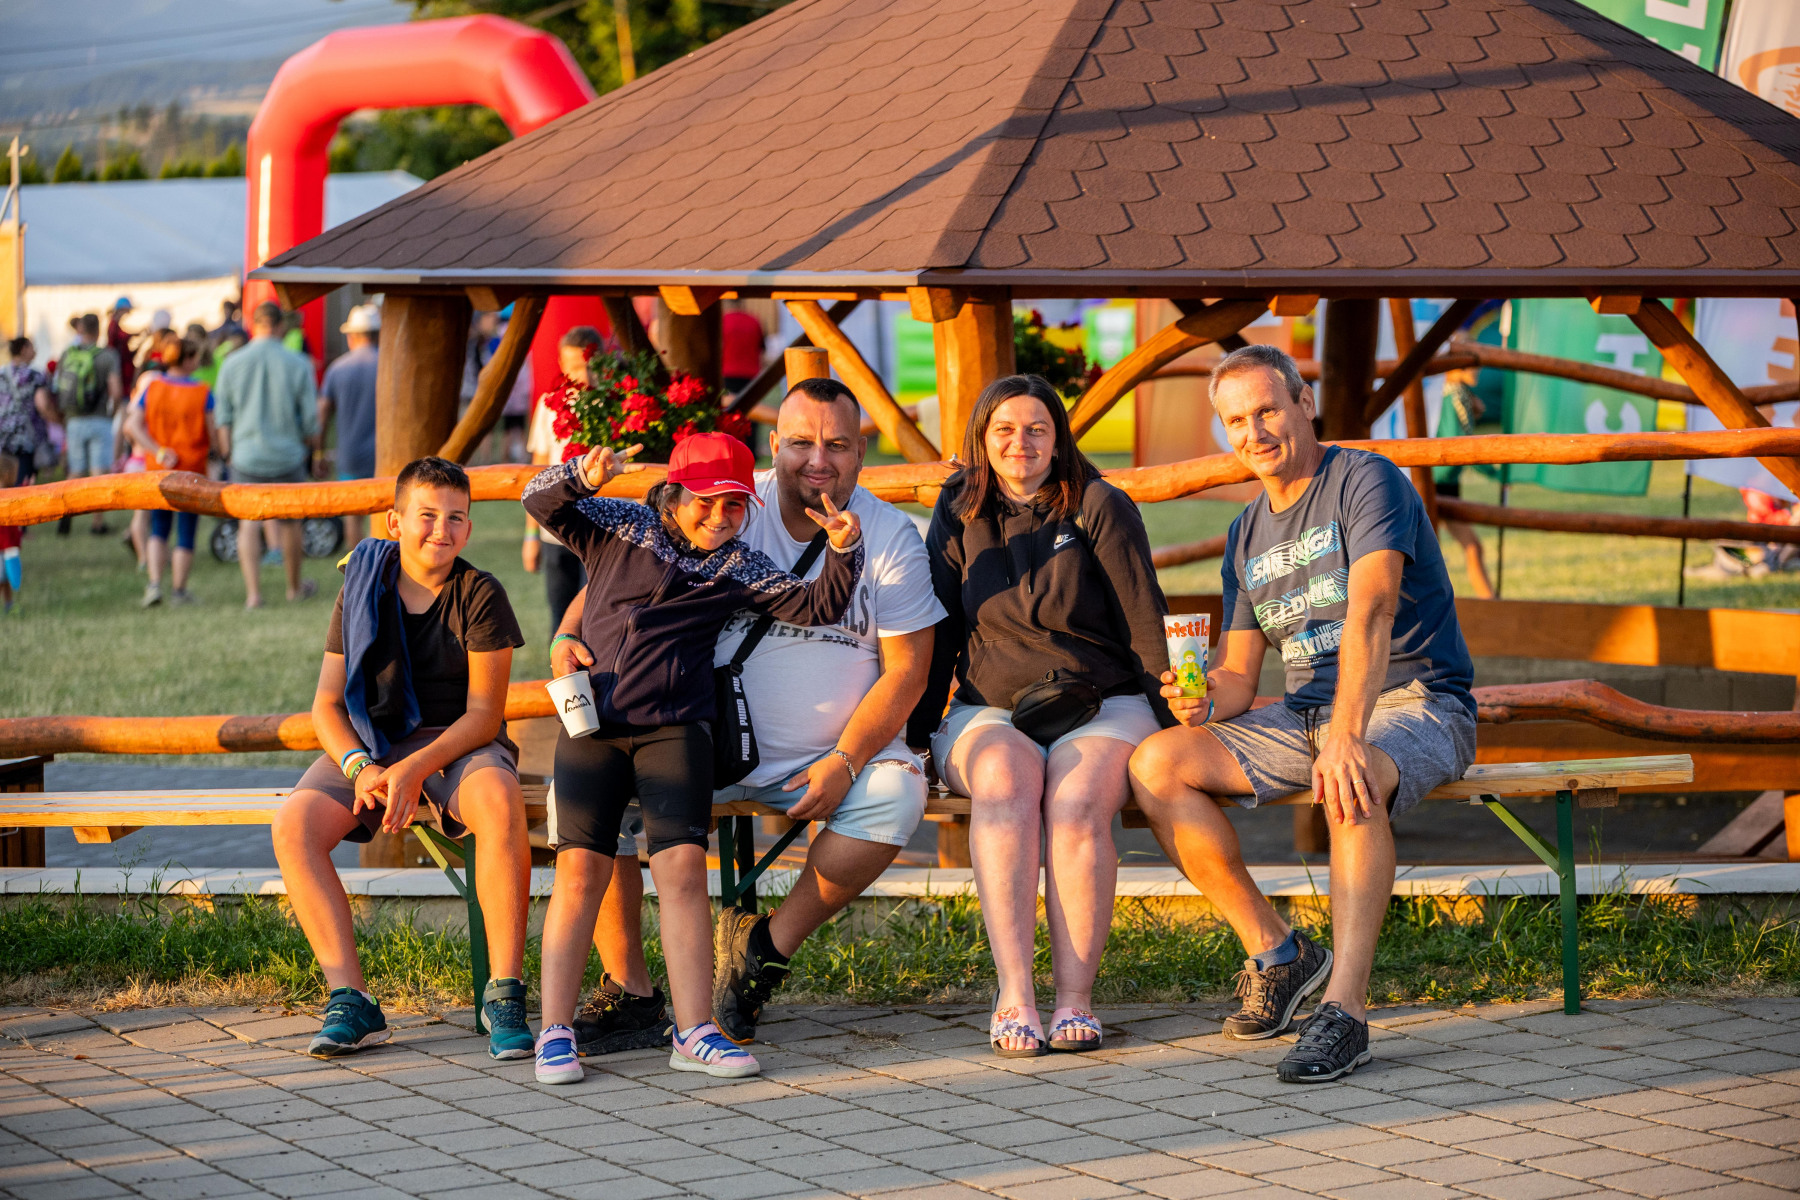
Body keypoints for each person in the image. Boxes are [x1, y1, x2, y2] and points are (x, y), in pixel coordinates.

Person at [550, 378, 943, 1053]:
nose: (818, 459)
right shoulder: (727, 501)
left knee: (896, 795)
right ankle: (633, 990)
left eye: (837, 445)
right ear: (774, 444)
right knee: (582, 798)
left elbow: (908, 670)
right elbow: (620, 576)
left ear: (861, 451)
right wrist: (564, 634)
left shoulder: (889, 536)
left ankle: (762, 952)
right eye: (801, 442)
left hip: (826, 757)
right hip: (694, 743)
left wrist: (846, 759)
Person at [1128, 345, 1476, 1084]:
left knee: (1348, 777)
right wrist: (1200, 698)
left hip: (1416, 699)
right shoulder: (1246, 532)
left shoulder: (1365, 480)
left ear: (1303, 404)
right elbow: (1238, 676)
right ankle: (1279, 953)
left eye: (1267, 411)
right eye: (1235, 421)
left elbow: (1373, 609)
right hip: (1306, 715)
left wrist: (1346, 735)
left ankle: (1345, 1012)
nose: (1254, 433)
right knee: (1156, 765)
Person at [522, 432, 864, 1084]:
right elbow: (538, 502)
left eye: (734, 504)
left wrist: (845, 550)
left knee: (681, 871)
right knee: (580, 872)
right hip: (593, 730)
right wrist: (581, 477)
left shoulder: (738, 564)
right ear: (673, 494)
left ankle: (695, 1029)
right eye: (704, 501)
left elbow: (818, 603)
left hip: (676, 732)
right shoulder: (620, 524)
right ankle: (555, 1032)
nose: (719, 516)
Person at [906, 374, 1172, 1058]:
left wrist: (1174, 727)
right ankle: (1015, 996)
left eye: (1035, 429)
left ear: (1058, 439)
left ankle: (1075, 999)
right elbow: (938, 626)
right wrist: (916, 736)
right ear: (982, 439)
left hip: (1103, 703)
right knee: (1006, 781)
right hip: (990, 709)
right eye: (1003, 430)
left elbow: (1144, 622)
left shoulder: (1099, 504)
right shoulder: (958, 509)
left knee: (1077, 802)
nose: (1019, 442)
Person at [271, 457, 535, 1061]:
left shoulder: (480, 593)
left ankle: (505, 993)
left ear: (469, 529)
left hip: (458, 742)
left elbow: (484, 717)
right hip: (376, 739)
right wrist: (361, 767)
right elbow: (326, 706)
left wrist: (415, 769)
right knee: (293, 825)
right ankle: (351, 999)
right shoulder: (362, 587)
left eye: (456, 518)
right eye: (427, 515)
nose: (441, 529)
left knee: (498, 799)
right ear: (395, 522)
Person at [215, 301, 320, 608]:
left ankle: (254, 595)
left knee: (248, 524)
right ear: (280, 326)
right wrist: (314, 452)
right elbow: (311, 420)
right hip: (288, 455)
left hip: (246, 455)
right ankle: (294, 588)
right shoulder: (298, 362)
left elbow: (223, 416)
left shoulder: (232, 362)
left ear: (253, 324)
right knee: (291, 523)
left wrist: (227, 453)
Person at [126, 337, 216, 606]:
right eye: (195, 356)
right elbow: (212, 431)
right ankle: (179, 590)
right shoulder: (202, 391)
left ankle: (155, 584)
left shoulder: (153, 387)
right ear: (187, 359)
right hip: (192, 470)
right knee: (186, 531)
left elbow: (132, 426)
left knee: (159, 528)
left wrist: (158, 450)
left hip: (158, 470)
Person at [523, 326, 603, 628]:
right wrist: (531, 536)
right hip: (555, 529)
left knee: (594, 616)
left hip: (600, 530)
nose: (582, 376)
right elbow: (538, 473)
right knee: (559, 615)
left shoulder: (615, 405)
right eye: (573, 367)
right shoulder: (549, 405)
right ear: (561, 364)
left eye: (588, 366)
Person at [52, 314, 125, 537]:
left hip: (74, 419)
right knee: (98, 473)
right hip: (100, 418)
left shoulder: (68, 354)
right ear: (98, 329)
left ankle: (64, 513)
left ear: (81, 329)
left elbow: (58, 386)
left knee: (75, 470)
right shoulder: (108, 355)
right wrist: (113, 411)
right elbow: (116, 390)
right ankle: (97, 523)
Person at [319, 305, 380, 548]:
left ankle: (357, 564)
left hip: (350, 455)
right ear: (378, 334)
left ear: (351, 336)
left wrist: (319, 452)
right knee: (385, 513)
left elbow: (323, 412)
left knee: (353, 517)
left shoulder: (338, 368)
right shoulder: (390, 365)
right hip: (384, 455)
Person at [1433, 367, 1495, 598]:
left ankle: (1492, 602)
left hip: (1445, 483)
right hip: (1436, 483)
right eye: (1470, 365)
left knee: (1471, 547)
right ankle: (1491, 602)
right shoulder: (1454, 394)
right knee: (1468, 548)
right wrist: (1495, 473)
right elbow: (1460, 446)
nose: (1477, 370)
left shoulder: (1458, 393)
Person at [720, 304, 765, 394]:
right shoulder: (754, 320)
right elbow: (762, 347)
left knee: (729, 401)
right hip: (750, 373)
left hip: (728, 372)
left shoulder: (724, 320)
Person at [107, 297, 138, 397]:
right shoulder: (113, 325)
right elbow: (122, 337)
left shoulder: (114, 324)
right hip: (120, 370)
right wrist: (137, 334)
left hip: (123, 369)